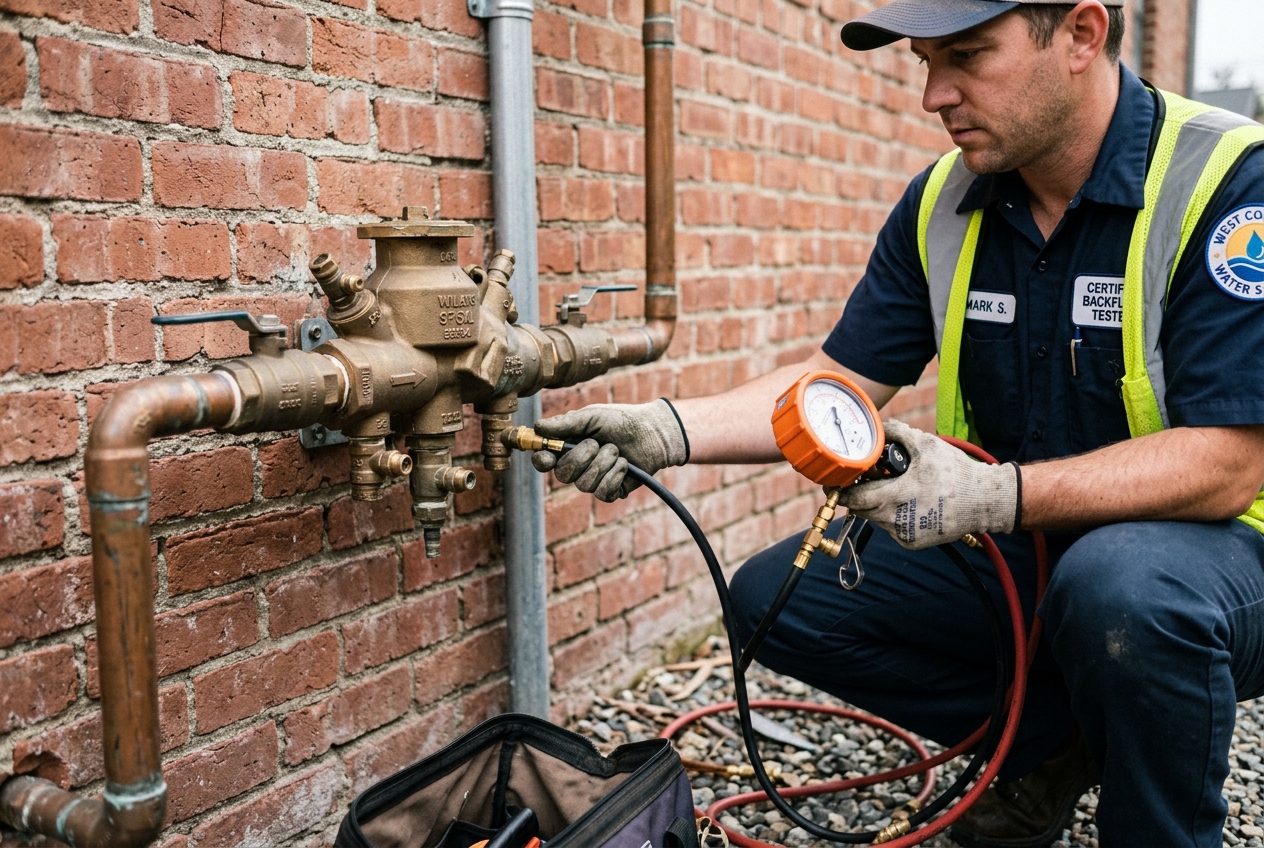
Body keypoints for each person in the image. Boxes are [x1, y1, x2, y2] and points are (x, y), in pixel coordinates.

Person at [530, 0, 1264, 844]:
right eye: (924, 61)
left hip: (1214, 559)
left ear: (1082, 34)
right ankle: (1058, 745)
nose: (934, 95)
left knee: (1122, 591)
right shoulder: (945, 205)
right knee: (779, 600)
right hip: (1031, 543)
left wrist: (992, 495)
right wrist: (665, 429)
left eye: (968, 56)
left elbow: (1227, 464)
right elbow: (834, 384)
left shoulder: (1226, 182)